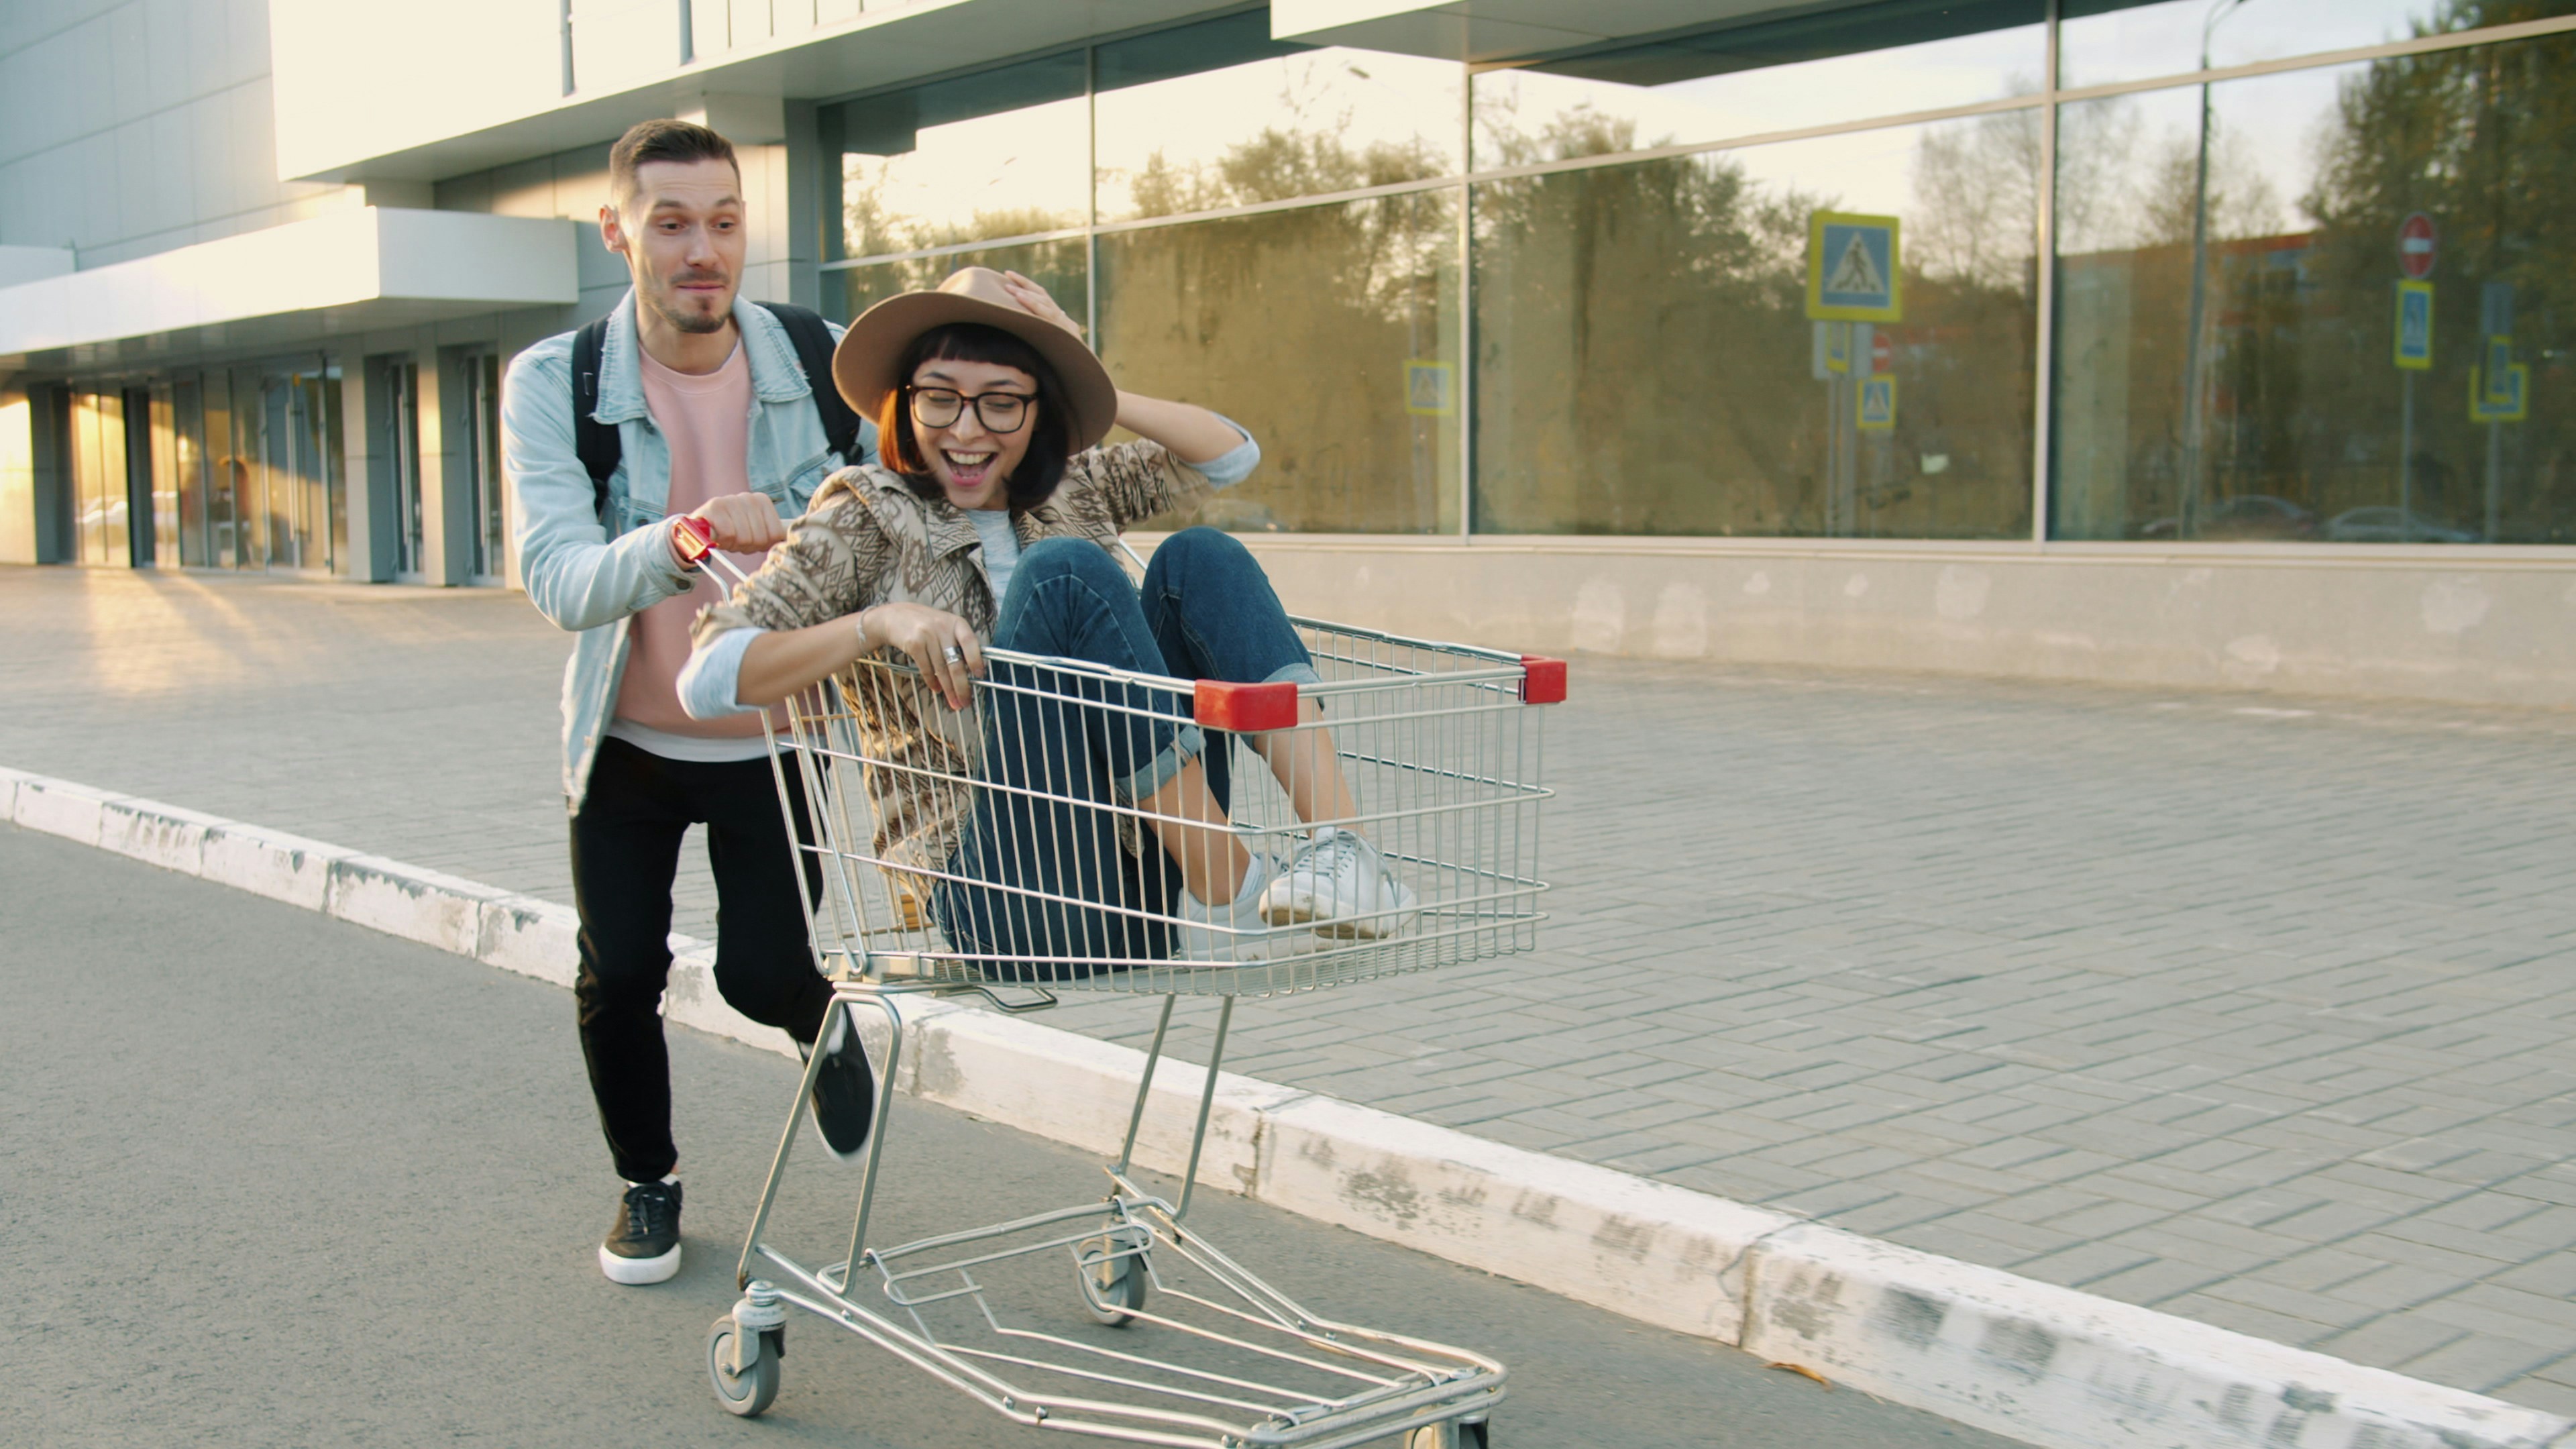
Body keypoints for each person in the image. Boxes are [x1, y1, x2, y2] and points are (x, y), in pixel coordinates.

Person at [676, 266, 1417, 978]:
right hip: (1008, 893)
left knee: (1201, 558)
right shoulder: (867, 512)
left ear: (1039, 411)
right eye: (941, 397)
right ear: (905, 402)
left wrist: (1088, 369)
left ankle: (1345, 853)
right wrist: (877, 623)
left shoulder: (1071, 489)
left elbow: (1230, 456)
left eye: (1001, 402)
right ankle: (1236, 886)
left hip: (1142, 880)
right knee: (1066, 573)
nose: (967, 430)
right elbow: (707, 677)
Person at [501, 119, 877, 1287]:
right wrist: (690, 535)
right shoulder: (554, 382)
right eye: (670, 224)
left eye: (723, 222)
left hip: (774, 734)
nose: (701, 250)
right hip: (627, 740)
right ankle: (648, 1185)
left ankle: (817, 1020)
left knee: (764, 971)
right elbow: (561, 582)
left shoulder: (821, 363)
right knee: (620, 971)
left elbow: (887, 520)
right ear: (618, 231)